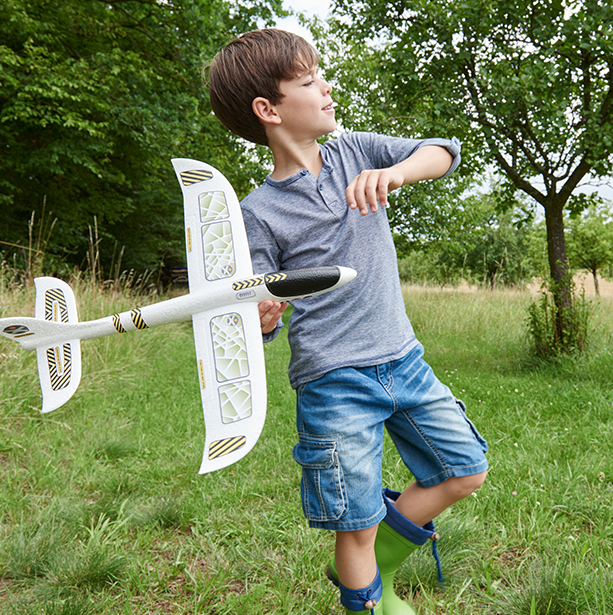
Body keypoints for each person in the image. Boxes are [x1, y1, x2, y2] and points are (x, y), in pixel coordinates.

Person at [206, 28, 488, 615]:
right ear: (269, 109)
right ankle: (369, 598)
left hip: (403, 358)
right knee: (353, 518)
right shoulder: (258, 214)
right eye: (309, 82)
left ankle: (369, 569)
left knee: (463, 469)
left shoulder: (356, 151)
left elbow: (441, 151)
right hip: (334, 380)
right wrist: (262, 318)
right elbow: (258, 310)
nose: (326, 88)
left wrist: (399, 174)